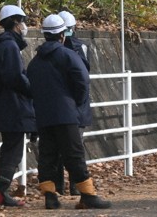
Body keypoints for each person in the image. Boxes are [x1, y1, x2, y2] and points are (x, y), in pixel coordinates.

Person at [27, 14, 112, 209]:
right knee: (74, 154)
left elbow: (29, 87)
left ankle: (50, 195)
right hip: (66, 114)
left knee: (47, 155)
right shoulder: (68, 55)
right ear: (62, 35)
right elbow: (82, 81)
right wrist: (75, 102)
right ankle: (87, 194)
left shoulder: (35, 61)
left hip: (43, 116)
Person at [0, 4, 36, 207]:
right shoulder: (9, 46)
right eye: (23, 21)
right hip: (13, 106)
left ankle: (1, 193)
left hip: (5, 105)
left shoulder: (2, 44)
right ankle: (1, 193)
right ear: (15, 22)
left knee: (10, 149)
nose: (25, 25)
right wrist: (32, 89)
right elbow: (15, 77)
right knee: (12, 150)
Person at [53, 10, 90, 196]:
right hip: (77, 107)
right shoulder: (80, 47)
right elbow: (84, 78)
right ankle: (77, 186)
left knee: (57, 149)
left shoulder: (50, 50)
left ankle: (58, 186)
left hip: (58, 106)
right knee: (76, 149)